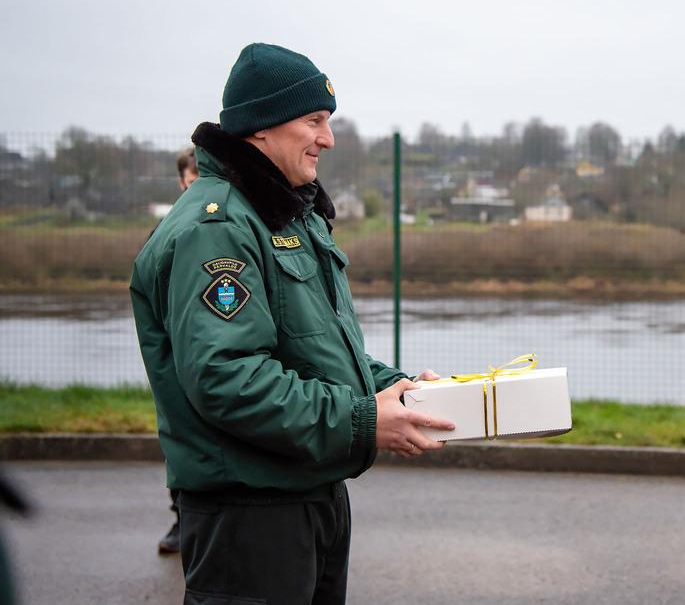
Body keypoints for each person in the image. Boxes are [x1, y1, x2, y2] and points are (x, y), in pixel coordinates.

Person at [130, 42, 454, 604]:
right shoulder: (218, 228)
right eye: (314, 121)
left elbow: (311, 347)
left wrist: (394, 390)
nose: (328, 139)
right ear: (262, 126)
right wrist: (361, 421)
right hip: (251, 515)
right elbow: (228, 378)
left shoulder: (284, 214)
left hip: (310, 494)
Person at [156, 145, 201, 555]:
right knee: (179, 438)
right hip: (175, 354)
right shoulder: (171, 229)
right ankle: (180, 518)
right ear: (181, 181)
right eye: (192, 178)